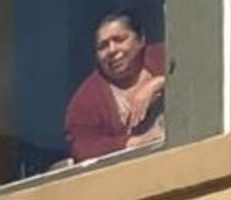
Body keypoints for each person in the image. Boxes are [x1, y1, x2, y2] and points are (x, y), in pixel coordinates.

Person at [66, 9, 169, 161]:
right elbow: (82, 148)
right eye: (103, 46)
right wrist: (133, 143)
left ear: (141, 40)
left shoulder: (165, 55)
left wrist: (158, 83)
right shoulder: (85, 102)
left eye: (119, 39)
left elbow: (203, 71)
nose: (112, 50)